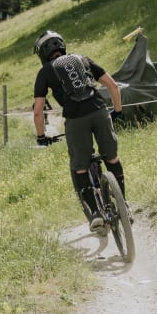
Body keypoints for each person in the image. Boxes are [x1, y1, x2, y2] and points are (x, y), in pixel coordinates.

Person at [32, 29, 127, 232]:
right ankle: (123, 204)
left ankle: (94, 214)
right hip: (100, 111)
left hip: (76, 120)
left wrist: (41, 137)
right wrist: (117, 111)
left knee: (80, 167)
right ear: (62, 45)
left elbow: (38, 112)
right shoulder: (82, 59)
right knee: (112, 158)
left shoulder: (45, 72)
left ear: (42, 54)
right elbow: (112, 85)